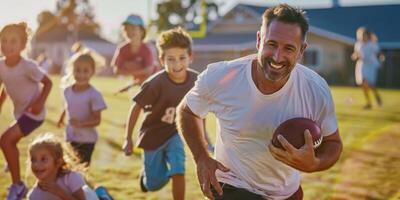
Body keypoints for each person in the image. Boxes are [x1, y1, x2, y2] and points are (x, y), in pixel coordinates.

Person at [176, 4, 343, 200]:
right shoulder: (221, 76)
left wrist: (314, 163)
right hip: (231, 186)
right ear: (258, 40)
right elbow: (187, 111)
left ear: (301, 51)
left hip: (286, 193)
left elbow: (333, 143)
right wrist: (201, 158)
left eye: (289, 48)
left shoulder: (315, 89)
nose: (277, 57)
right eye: (271, 44)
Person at [122, 27, 198, 200]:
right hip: (152, 136)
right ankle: (146, 179)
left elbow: (202, 109)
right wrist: (128, 138)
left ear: (190, 57)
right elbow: (136, 108)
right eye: (170, 59)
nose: (177, 64)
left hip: (175, 134)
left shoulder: (196, 81)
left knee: (179, 169)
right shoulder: (155, 83)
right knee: (154, 184)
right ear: (162, 59)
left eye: (182, 58)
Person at [0, 22, 53, 200]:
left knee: (5, 140)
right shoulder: (1, 66)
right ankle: (14, 170)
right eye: (4, 41)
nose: (7, 45)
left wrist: (39, 103)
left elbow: (48, 83)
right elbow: (5, 85)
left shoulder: (28, 66)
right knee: (8, 143)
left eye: (13, 41)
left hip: (34, 114)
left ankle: (18, 186)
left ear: (23, 45)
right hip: (20, 114)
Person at [57, 51, 107, 167]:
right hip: (70, 136)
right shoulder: (67, 90)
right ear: (71, 70)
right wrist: (61, 118)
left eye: (85, 71)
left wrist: (80, 123)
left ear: (92, 72)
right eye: (77, 70)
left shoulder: (94, 94)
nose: (81, 74)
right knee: (67, 167)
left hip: (87, 140)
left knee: (81, 170)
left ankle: (82, 185)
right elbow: (67, 105)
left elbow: (97, 120)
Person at [27, 133, 98, 200]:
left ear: (58, 162)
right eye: (33, 160)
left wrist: (61, 193)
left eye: (43, 159)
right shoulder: (34, 195)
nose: (36, 164)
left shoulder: (71, 178)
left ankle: (102, 195)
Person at [112, 14, 159, 94]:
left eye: (133, 28)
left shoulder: (147, 49)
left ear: (141, 31)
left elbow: (149, 71)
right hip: (138, 82)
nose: (129, 31)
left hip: (153, 82)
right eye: (127, 28)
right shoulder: (122, 49)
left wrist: (130, 71)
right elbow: (116, 70)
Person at [351, 27, 383, 109]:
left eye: (363, 35)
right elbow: (356, 54)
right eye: (360, 35)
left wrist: (381, 61)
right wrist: (355, 56)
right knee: (362, 83)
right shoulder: (358, 44)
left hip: (371, 65)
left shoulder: (372, 44)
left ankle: (376, 96)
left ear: (367, 35)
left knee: (370, 84)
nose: (361, 37)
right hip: (362, 65)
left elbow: (380, 54)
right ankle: (368, 102)